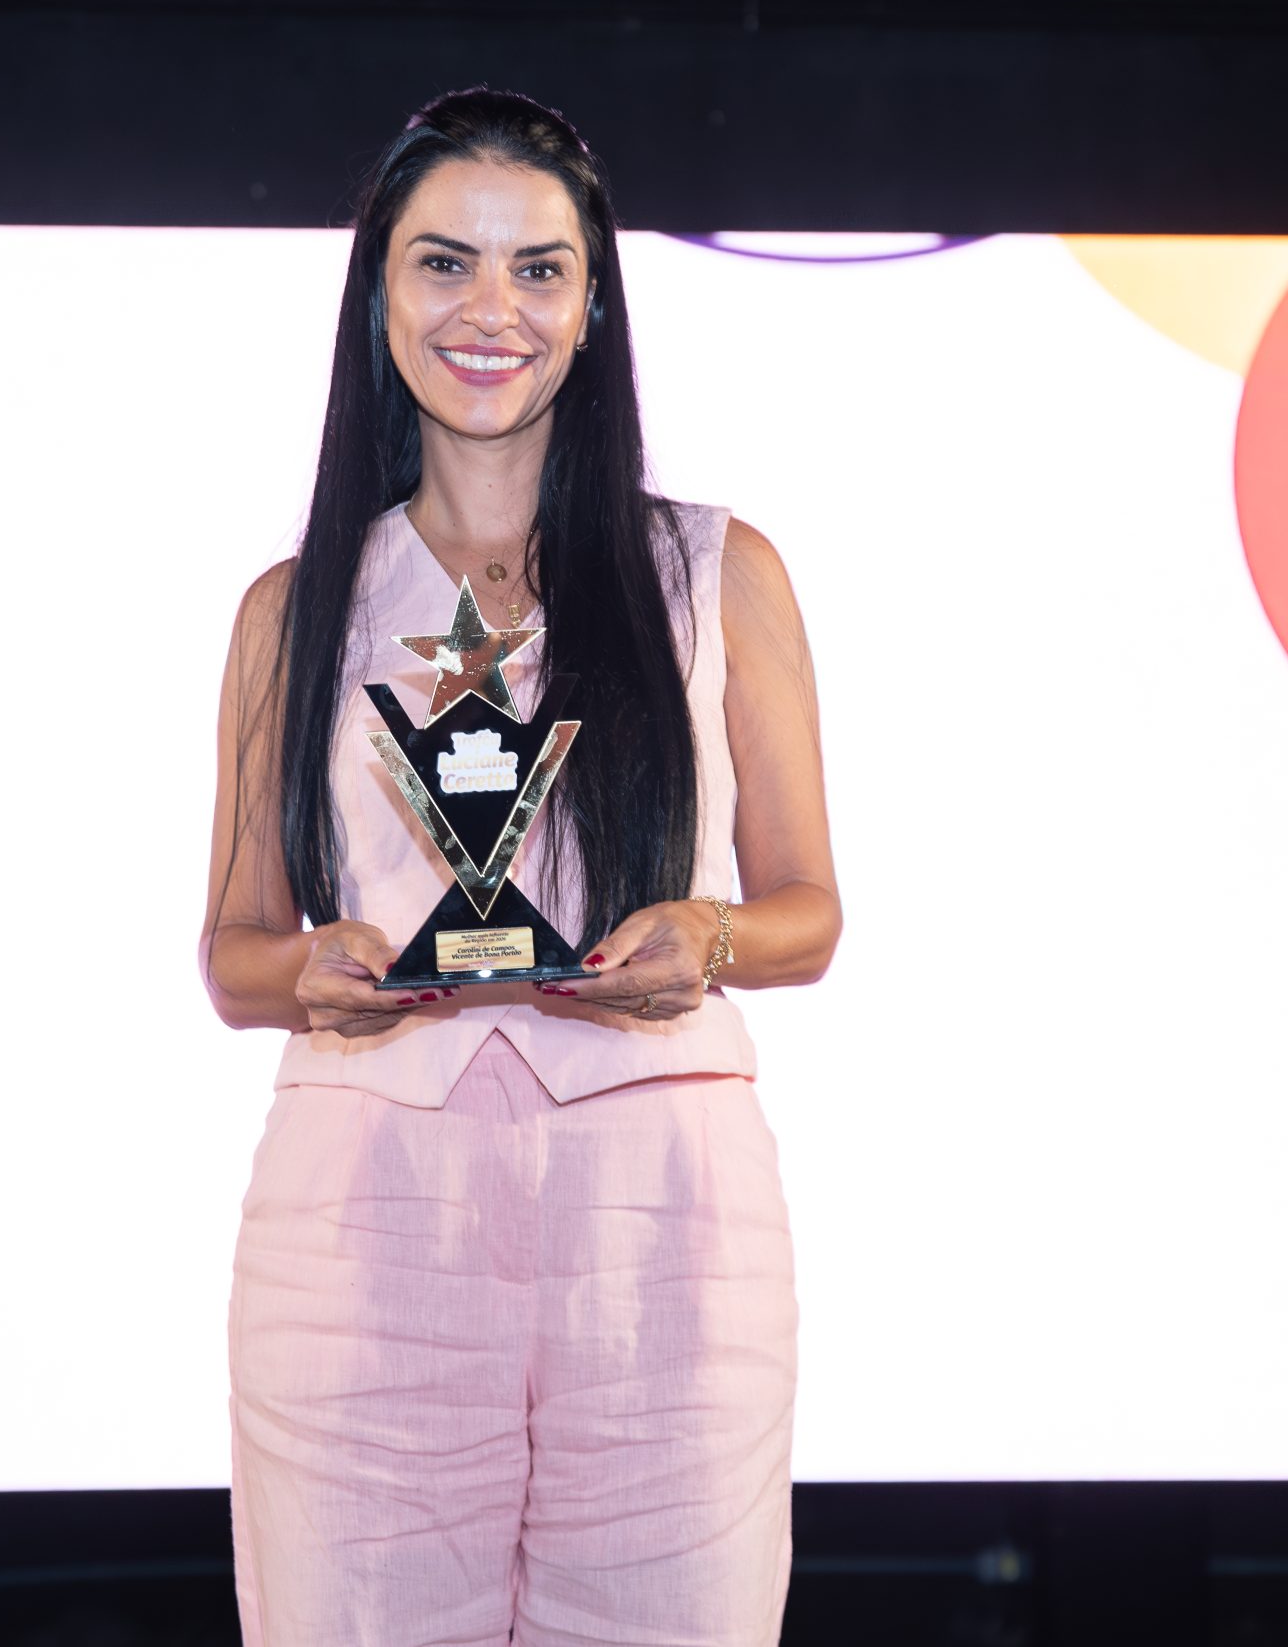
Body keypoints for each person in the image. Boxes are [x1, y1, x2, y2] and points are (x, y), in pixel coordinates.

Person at [200, 86, 842, 1647]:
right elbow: (235, 950)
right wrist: (312, 968)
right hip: (364, 1221)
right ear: (378, 292)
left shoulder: (714, 572)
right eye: (445, 262)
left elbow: (809, 914)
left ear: (594, 302)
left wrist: (707, 936)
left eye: (538, 269)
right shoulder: (297, 607)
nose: (492, 310)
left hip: (665, 1220)